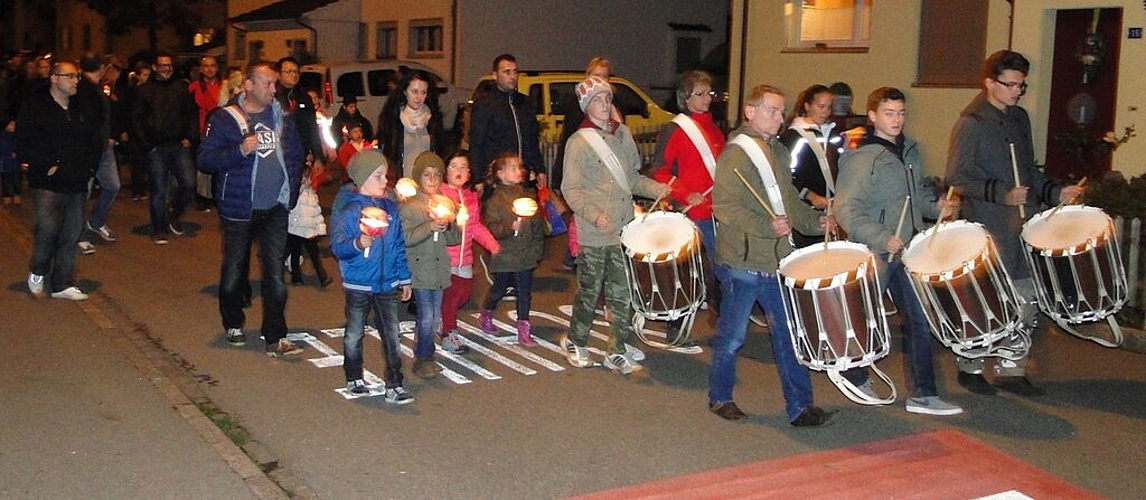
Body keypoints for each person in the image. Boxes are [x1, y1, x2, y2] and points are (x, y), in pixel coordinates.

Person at [945, 50, 1085, 397]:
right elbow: (957, 177)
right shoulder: (971, 123)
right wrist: (1002, 194)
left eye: (1021, 86)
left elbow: (1029, 171)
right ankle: (971, 366)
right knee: (986, 300)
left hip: (1023, 227)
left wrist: (1055, 192)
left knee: (1025, 299)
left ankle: (1011, 368)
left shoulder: (1020, 119)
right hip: (989, 226)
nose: (1017, 91)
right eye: (1010, 85)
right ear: (990, 83)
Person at [704, 84, 833, 426]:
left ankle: (800, 407)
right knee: (732, 338)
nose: (780, 118)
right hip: (743, 263)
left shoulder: (776, 150)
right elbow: (725, 208)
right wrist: (766, 226)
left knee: (789, 337)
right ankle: (720, 397)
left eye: (781, 111)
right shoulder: (736, 153)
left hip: (777, 261)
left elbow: (787, 199)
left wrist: (814, 222)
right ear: (750, 111)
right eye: (772, 111)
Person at [835, 87, 963, 416]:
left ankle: (924, 394)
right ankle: (853, 374)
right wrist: (881, 237)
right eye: (889, 113)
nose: (896, 119)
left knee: (920, 320)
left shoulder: (909, 151)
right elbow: (846, 209)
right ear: (873, 116)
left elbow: (913, 198)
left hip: (906, 250)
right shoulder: (864, 158)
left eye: (901, 113)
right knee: (866, 319)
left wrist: (938, 207)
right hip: (877, 251)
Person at [560, 76, 670, 375]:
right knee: (590, 290)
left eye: (607, 98)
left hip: (624, 228)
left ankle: (616, 349)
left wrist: (655, 189)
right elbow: (571, 189)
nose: (605, 104)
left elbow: (632, 177)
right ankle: (576, 340)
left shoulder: (623, 134)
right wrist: (594, 215)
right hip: (594, 232)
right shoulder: (578, 142)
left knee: (623, 293)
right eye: (597, 99)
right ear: (586, 106)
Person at [197, 63, 306, 358]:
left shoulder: (282, 117)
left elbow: (295, 154)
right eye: (268, 84)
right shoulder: (224, 119)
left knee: (274, 276)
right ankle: (233, 321)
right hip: (239, 208)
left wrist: (290, 192)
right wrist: (240, 151)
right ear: (248, 85)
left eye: (275, 84)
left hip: (275, 208)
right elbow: (205, 160)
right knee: (234, 271)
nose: (274, 89)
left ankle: (276, 336)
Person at [330, 150, 414, 403]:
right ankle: (354, 376)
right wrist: (358, 242)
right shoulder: (351, 210)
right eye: (378, 176)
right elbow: (339, 246)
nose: (385, 181)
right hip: (359, 283)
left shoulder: (390, 208)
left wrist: (405, 277)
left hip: (387, 283)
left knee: (392, 334)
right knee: (355, 332)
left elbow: (398, 244)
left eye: (385, 175)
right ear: (363, 179)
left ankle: (395, 383)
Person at [18, 60, 101, 301]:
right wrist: (47, 166)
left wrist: (89, 166)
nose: (76, 81)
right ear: (54, 78)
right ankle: (38, 269)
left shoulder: (80, 108)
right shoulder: (35, 106)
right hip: (48, 182)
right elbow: (24, 142)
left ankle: (62, 283)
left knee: (71, 233)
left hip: (76, 180)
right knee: (47, 230)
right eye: (70, 76)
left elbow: (94, 138)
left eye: (77, 77)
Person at [651, 70, 725, 331]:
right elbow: (659, 170)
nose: (707, 99)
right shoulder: (675, 129)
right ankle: (677, 317)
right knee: (686, 267)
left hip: (717, 211)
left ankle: (720, 316)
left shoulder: (715, 130)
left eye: (709, 93)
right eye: (701, 94)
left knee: (719, 265)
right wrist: (684, 193)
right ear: (686, 98)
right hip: (691, 211)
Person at [399, 151, 461, 378]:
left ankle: (428, 354)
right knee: (426, 316)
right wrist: (430, 227)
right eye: (427, 175)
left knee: (435, 317)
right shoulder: (410, 207)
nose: (433, 180)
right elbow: (405, 237)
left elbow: (453, 240)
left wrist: (453, 224)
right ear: (418, 177)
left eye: (437, 175)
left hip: (439, 270)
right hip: (420, 268)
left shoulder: (445, 203)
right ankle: (422, 357)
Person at [478, 153, 546, 346]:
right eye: (513, 168)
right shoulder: (495, 201)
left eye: (519, 167)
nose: (519, 171)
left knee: (524, 292)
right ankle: (486, 311)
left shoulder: (526, 195)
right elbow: (492, 228)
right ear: (500, 173)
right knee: (499, 289)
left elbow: (536, 227)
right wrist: (509, 228)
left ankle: (523, 328)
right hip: (505, 255)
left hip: (524, 254)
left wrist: (537, 251)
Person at [131, 52, 197, 244]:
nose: (166, 69)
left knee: (188, 184)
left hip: (179, 144)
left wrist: (189, 136)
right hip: (156, 147)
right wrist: (146, 144)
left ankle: (174, 214)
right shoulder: (144, 90)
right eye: (162, 65)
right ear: (154, 67)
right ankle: (159, 228)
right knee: (158, 189)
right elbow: (136, 119)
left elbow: (192, 113)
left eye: (169, 65)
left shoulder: (181, 88)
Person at [440, 151, 500, 354]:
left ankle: (442, 320)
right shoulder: (440, 195)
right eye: (454, 166)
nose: (459, 171)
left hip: (465, 256)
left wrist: (492, 245)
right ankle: (449, 332)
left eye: (464, 167)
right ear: (445, 171)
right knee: (452, 295)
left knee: (464, 293)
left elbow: (475, 227)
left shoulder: (470, 198)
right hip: (445, 255)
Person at [779, 84, 845, 248]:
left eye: (829, 107)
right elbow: (787, 176)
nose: (825, 112)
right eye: (820, 106)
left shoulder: (833, 135)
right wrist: (809, 195)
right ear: (807, 106)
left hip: (832, 208)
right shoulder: (793, 137)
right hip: (806, 209)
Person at [467, 54, 545, 191]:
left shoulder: (525, 103)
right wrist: (478, 178)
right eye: (507, 72)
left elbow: (532, 140)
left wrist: (539, 169)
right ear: (495, 75)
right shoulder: (485, 104)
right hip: (496, 179)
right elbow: (476, 143)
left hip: (522, 176)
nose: (512, 76)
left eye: (515, 72)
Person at [75, 54, 121, 256]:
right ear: (101, 67)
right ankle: (78, 235)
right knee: (82, 193)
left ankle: (95, 221)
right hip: (86, 149)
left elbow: (107, 115)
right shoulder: (81, 88)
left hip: (104, 147)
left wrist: (111, 135)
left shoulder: (100, 87)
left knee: (112, 185)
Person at [375, 70, 444, 185]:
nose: (419, 97)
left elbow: (439, 151)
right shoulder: (393, 119)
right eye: (414, 91)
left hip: (427, 183)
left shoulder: (433, 119)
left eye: (423, 92)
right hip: (402, 182)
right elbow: (387, 154)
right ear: (404, 91)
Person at [287, 165, 332, 287]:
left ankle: (323, 277)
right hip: (295, 230)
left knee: (315, 255)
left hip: (309, 231)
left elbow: (317, 213)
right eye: (308, 179)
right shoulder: (295, 194)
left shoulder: (312, 194)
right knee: (295, 254)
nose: (311, 181)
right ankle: (297, 278)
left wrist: (320, 228)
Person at [190, 55, 221, 212]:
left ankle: (216, 196)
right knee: (203, 167)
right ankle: (203, 198)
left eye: (212, 65)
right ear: (201, 69)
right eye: (206, 66)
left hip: (220, 132)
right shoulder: (194, 87)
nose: (209, 69)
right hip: (201, 131)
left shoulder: (224, 86)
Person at [0, 117, 20, 206]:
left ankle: (17, 195)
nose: (14, 126)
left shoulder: (17, 136)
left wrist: (18, 153)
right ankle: (7, 196)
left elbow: (20, 146)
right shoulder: (2, 137)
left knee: (17, 180)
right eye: (11, 124)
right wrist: (9, 153)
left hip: (16, 163)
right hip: (6, 163)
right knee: (7, 180)